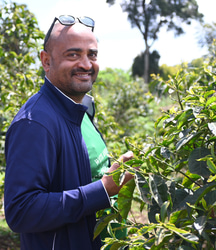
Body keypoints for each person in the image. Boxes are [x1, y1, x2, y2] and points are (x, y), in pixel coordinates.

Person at [4, 15, 134, 250]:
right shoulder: (35, 123)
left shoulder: (79, 110)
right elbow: (20, 211)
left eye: (91, 54)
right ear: (46, 61)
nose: (86, 64)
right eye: (73, 55)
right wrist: (102, 190)